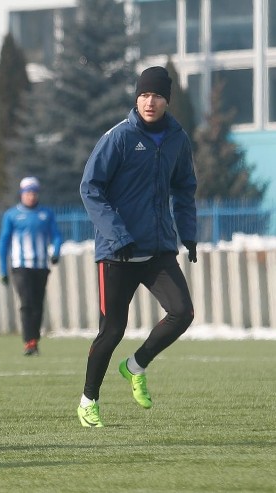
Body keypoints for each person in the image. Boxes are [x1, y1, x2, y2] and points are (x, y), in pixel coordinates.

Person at [77, 66, 197, 427]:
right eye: (144, 94)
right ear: (136, 98)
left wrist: (188, 233)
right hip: (118, 253)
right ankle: (88, 400)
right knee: (112, 330)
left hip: (158, 249)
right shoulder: (119, 138)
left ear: (167, 100)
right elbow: (90, 188)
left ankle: (135, 365)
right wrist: (117, 236)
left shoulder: (177, 138)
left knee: (183, 313)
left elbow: (185, 189)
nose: (150, 101)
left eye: (157, 95)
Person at [0, 176, 62, 356]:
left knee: (38, 304)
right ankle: (29, 341)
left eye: (34, 193)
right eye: (28, 193)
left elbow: (56, 235)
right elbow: (3, 242)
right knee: (26, 303)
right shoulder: (12, 215)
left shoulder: (46, 214)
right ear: (22, 194)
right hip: (20, 267)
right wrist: (3, 269)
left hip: (41, 266)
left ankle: (35, 341)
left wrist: (56, 252)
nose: (31, 196)